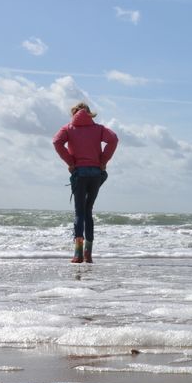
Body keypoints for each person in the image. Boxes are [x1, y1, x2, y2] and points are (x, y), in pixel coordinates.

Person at [53, 102, 118, 263]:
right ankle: (88, 253)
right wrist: (103, 160)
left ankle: (77, 254)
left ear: (73, 113)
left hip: (79, 174)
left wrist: (70, 162)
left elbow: (56, 142)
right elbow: (114, 139)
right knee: (88, 211)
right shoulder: (99, 129)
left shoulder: (68, 128)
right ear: (89, 114)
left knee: (79, 212)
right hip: (96, 173)